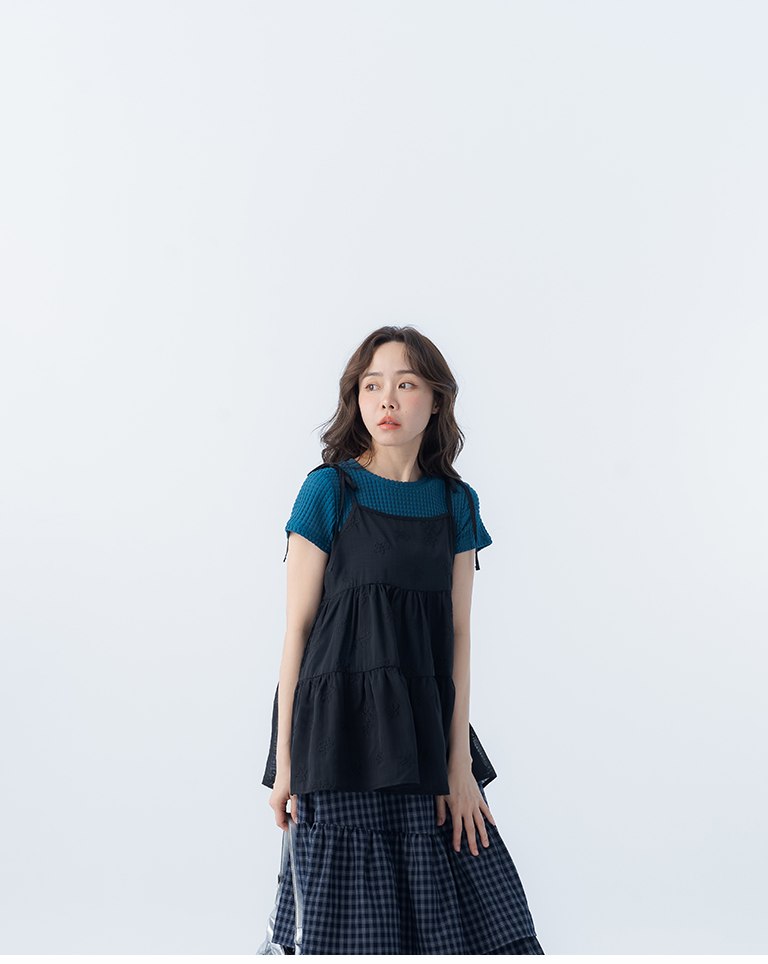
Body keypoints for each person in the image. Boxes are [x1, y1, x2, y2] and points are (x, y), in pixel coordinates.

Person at [262, 326, 543, 955]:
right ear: (356, 399)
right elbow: (297, 633)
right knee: (349, 927)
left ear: (436, 401)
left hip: (424, 731)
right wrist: (286, 764)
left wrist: (459, 765)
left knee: (471, 909)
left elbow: (460, 635)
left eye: (406, 384)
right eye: (372, 386)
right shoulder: (328, 491)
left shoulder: (456, 503)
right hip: (336, 733)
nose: (387, 399)